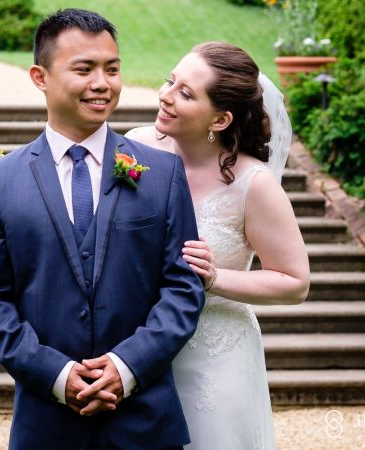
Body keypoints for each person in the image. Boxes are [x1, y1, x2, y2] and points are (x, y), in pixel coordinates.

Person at [0, 9, 205, 450]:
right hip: (46, 424)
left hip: (146, 423)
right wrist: (55, 375)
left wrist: (126, 366)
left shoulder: (164, 174)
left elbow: (183, 286)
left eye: (112, 69)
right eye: (84, 69)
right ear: (40, 76)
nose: (103, 83)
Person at [126, 42, 310, 449]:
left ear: (221, 118)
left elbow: (295, 282)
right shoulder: (135, 150)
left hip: (214, 357)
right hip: (137, 345)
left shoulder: (253, 184)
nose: (165, 95)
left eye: (186, 93)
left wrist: (214, 278)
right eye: (170, 81)